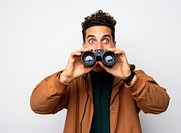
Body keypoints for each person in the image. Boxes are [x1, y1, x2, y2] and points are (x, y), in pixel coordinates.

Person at [30, 10, 170, 133]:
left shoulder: (132, 76)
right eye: (92, 41)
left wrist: (130, 78)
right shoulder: (72, 79)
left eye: (105, 40)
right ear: (84, 45)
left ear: (114, 45)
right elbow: (38, 106)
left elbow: (161, 105)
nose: (99, 47)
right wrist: (64, 78)